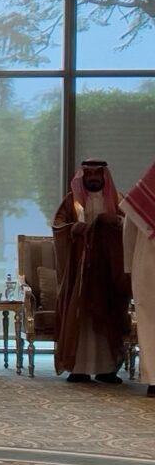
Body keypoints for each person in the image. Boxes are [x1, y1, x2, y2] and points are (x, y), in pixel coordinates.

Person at [53, 160, 131, 383]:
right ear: (83, 176)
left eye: (98, 173)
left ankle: (107, 369)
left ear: (104, 176)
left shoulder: (117, 200)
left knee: (107, 316)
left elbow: (130, 224)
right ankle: (79, 368)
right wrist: (73, 228)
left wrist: (116, 221)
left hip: (107, 273)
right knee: (81, 316)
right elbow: (58, 224)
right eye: (89, 174)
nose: (94, 177)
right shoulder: (72, 201)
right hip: (80, 272)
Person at [122, 158, 155, 397]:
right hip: (146, 268)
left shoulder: (141, 197)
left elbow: (128, 234)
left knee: (149, 323)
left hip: (146, 269)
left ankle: (154, 379)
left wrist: (128, 268)